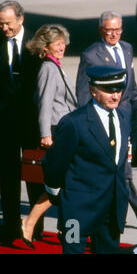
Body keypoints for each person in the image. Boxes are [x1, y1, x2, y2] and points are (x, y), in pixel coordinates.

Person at [75, 11, 137, 229]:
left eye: (118, 29)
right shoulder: (91, 55)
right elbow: (84, 93)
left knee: (124, 166)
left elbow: (131, 87)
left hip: (128, 118)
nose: (114, 34)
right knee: (120, 168)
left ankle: (126, 212)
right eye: (109, 30)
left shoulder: (127, 48)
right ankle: (135, 213)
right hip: (108, 120)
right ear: (101, 30)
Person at [43, 66, 131, 254]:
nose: (116, 96)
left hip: (112, 210)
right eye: (109, 91)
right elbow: (54, 163)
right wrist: (57, 194)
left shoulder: (124, 117)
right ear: (93, 91)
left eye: (118, 90)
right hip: (77, 211)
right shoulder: (74, 123)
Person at [19, 24, 77, 249]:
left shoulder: (55, 66)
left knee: (63, 183)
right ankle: (31, 222)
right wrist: (45, 134)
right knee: (59, 183)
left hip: (62, 131)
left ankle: (35, 223)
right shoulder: (48, 68)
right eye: (57, 43)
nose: (63, 46)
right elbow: (44, 103)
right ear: (47, 46)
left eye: (64, 42)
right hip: (54, 132)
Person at [0, 0, 41, 245]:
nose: (5, 29)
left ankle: (34, 227)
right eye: (1, 24)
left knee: (35, 174)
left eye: (8, 24)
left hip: (31, 122)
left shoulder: (36, 44)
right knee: (8, 176)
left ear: (21, 19)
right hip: (4, 123)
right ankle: (13, 226)